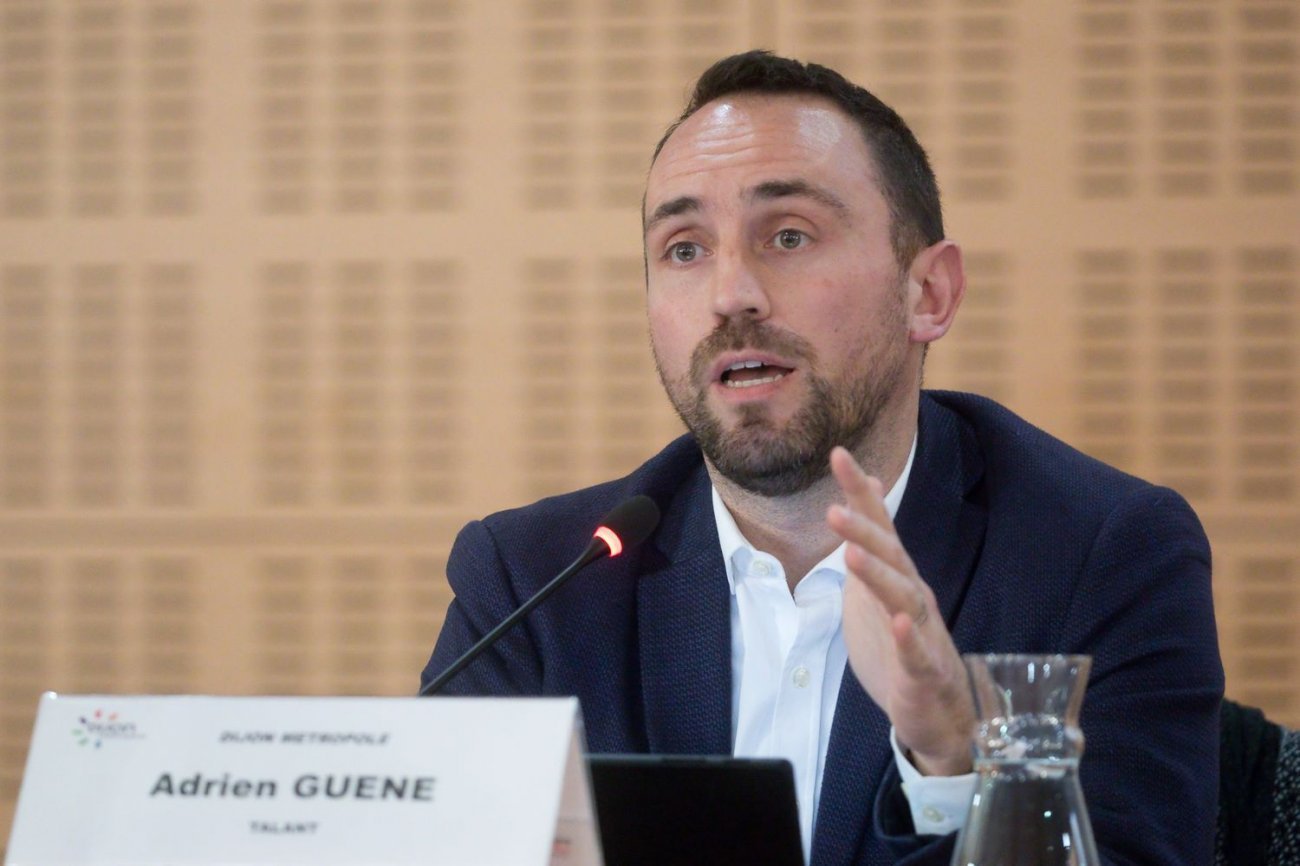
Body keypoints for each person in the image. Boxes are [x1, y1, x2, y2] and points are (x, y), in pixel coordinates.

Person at [422, 51, 1223, 865]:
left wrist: (951, 760)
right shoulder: (537, 584)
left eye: (789, 235)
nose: (731, 295)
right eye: (685, 249)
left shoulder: (1101, 556)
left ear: (928, 294)